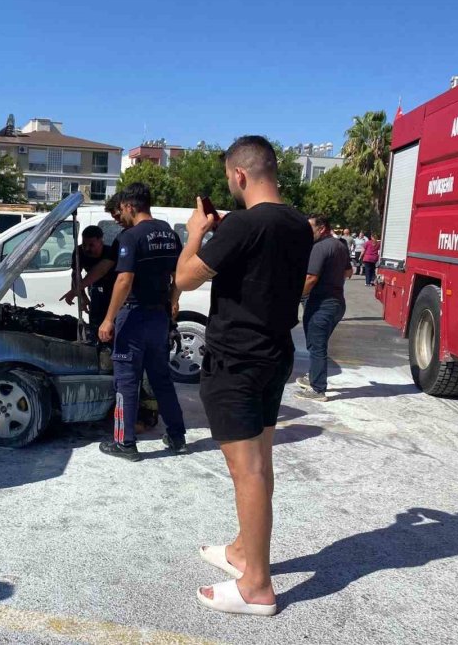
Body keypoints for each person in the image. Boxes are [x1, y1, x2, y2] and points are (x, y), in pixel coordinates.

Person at [175, 135, 312, 617]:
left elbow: (185, 277)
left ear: (239, 175)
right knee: (260, 461)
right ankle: (242, 551)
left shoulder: (245, 224)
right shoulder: (299, 223)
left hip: (236, 359)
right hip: (274, 354)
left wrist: (196, 231)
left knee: (246, 470)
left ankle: (256, 584)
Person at [97, 182, 186, 460]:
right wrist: (172, 300)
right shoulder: (170, 234)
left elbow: (124, 279)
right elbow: (179, 274)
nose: (120, 215)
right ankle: (177, 436)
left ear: (129, 206)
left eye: (121, 209)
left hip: (133, 317)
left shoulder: (131, 237)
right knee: (162, 379)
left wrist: (108, 319)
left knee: (126, 381)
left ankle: (125, 443)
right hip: (159, 318)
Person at [296, 214, 352, 402]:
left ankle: (317, 389)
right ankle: (313, 376)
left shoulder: (319, 248)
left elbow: (311, 278)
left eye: (309, 229)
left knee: (316, 346)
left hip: (321, 304)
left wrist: (293, 297)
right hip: (337, 303)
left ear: (321, 229)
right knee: (317, 344)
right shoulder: (340, 246)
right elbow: (348, 271)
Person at [60, 225, 117, 343]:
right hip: (94, 287)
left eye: (91, 245)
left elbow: (101, 272)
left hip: (113, 289)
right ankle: (97, 343)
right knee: (95, 322)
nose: (87, 249)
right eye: (85, 244)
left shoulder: (110, 252)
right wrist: (82, 297)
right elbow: (76, 275)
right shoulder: (79, 252)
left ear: (101, 241)